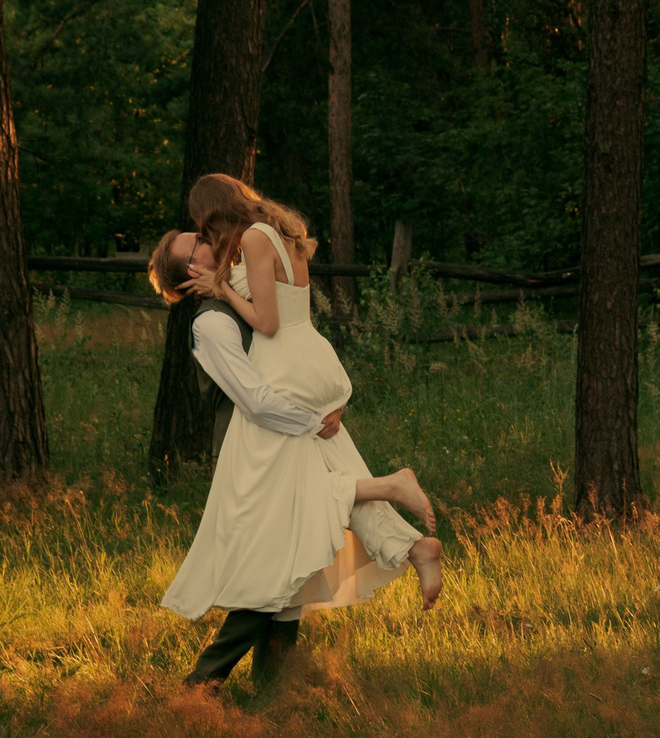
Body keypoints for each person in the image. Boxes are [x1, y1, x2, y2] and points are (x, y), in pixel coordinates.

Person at [151, 176, 442, 688]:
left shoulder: (249, 252)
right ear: (193, 268)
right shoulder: (212, 322)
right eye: (195, 242)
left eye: (200, 230)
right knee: (285, 555)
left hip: (284, 415)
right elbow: (258, 396)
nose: (204, 236)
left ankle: (209, 685)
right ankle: (408, 541)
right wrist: (320, 411)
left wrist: (319, 410)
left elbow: (271, 330)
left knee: (285, 549)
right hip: (267, 431)